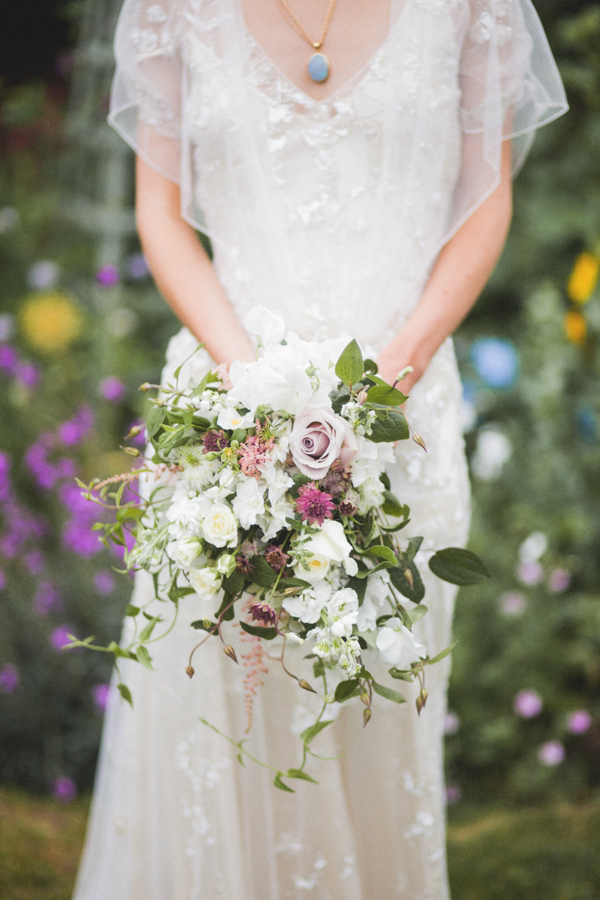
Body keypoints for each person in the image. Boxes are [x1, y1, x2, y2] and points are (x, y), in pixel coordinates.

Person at [72, 1, 567, 897]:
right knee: (229, 726)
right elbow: (162, 216)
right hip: (227, 420)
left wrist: (386, 385)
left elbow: (487, 204)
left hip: (401, 423)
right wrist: (256, 398)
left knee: (377, 726)